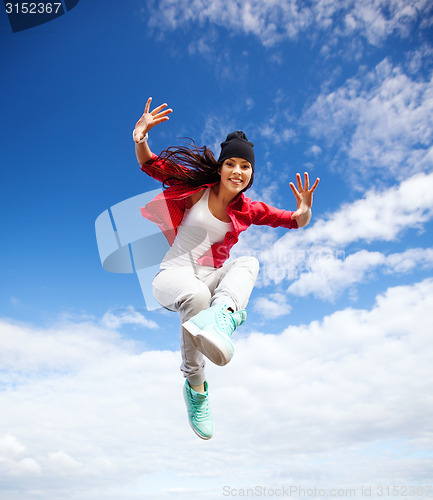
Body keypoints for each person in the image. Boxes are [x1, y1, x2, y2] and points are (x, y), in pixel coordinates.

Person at [133, 97, 319, 440]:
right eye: (231, 164)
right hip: (172, 276)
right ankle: (197, 390)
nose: (237, 171)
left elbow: (293, 220)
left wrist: (304, 211)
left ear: (250, 175)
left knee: (248, 262)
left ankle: (224, 316)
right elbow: (152, 165)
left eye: (245, 167)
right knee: (194, 294)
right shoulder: (194, 189)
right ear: (220, 168)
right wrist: (141, 137)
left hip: (209, 278)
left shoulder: (249, 209)